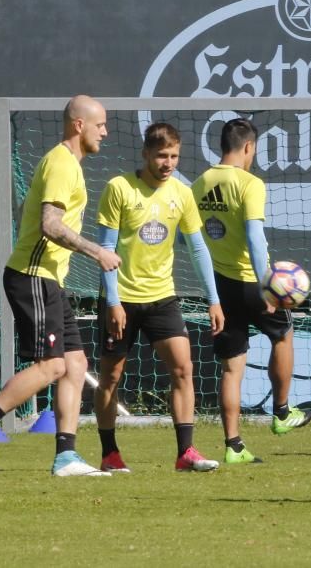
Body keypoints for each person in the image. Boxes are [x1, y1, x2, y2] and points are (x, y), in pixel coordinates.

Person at [0, 95, 120, 478]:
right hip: (33, 276)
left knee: (76, 364)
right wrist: (97, 251)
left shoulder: (68, 165)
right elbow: (50, 224)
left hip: (49, 278)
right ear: (79, 125)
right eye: (101, 125)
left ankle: (65, 456)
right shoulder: (62, 163)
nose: (106, 132)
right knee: (51, 366)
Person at [94, 122, 224, 473]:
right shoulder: (119, 188)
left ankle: (186, 453)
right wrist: (113, 302)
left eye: (174, 156)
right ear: (146, 154)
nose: (168, 163)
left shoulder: (181, 194)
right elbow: (105, 247)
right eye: (162, 156)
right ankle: (109, 453)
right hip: (122, 298)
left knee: (183, 368)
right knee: (111, 377)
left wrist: (213, 299)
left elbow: (198, 249)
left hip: (162, 297)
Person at [192, 118, 311, 464]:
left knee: (232, 367)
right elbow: (255, 238)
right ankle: (282, 412)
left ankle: (233, 446)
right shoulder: (250, 184)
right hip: (250, 282)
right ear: (248, 147)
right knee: (284, 336)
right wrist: (267, 285)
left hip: (220, 284)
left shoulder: (198, 184)